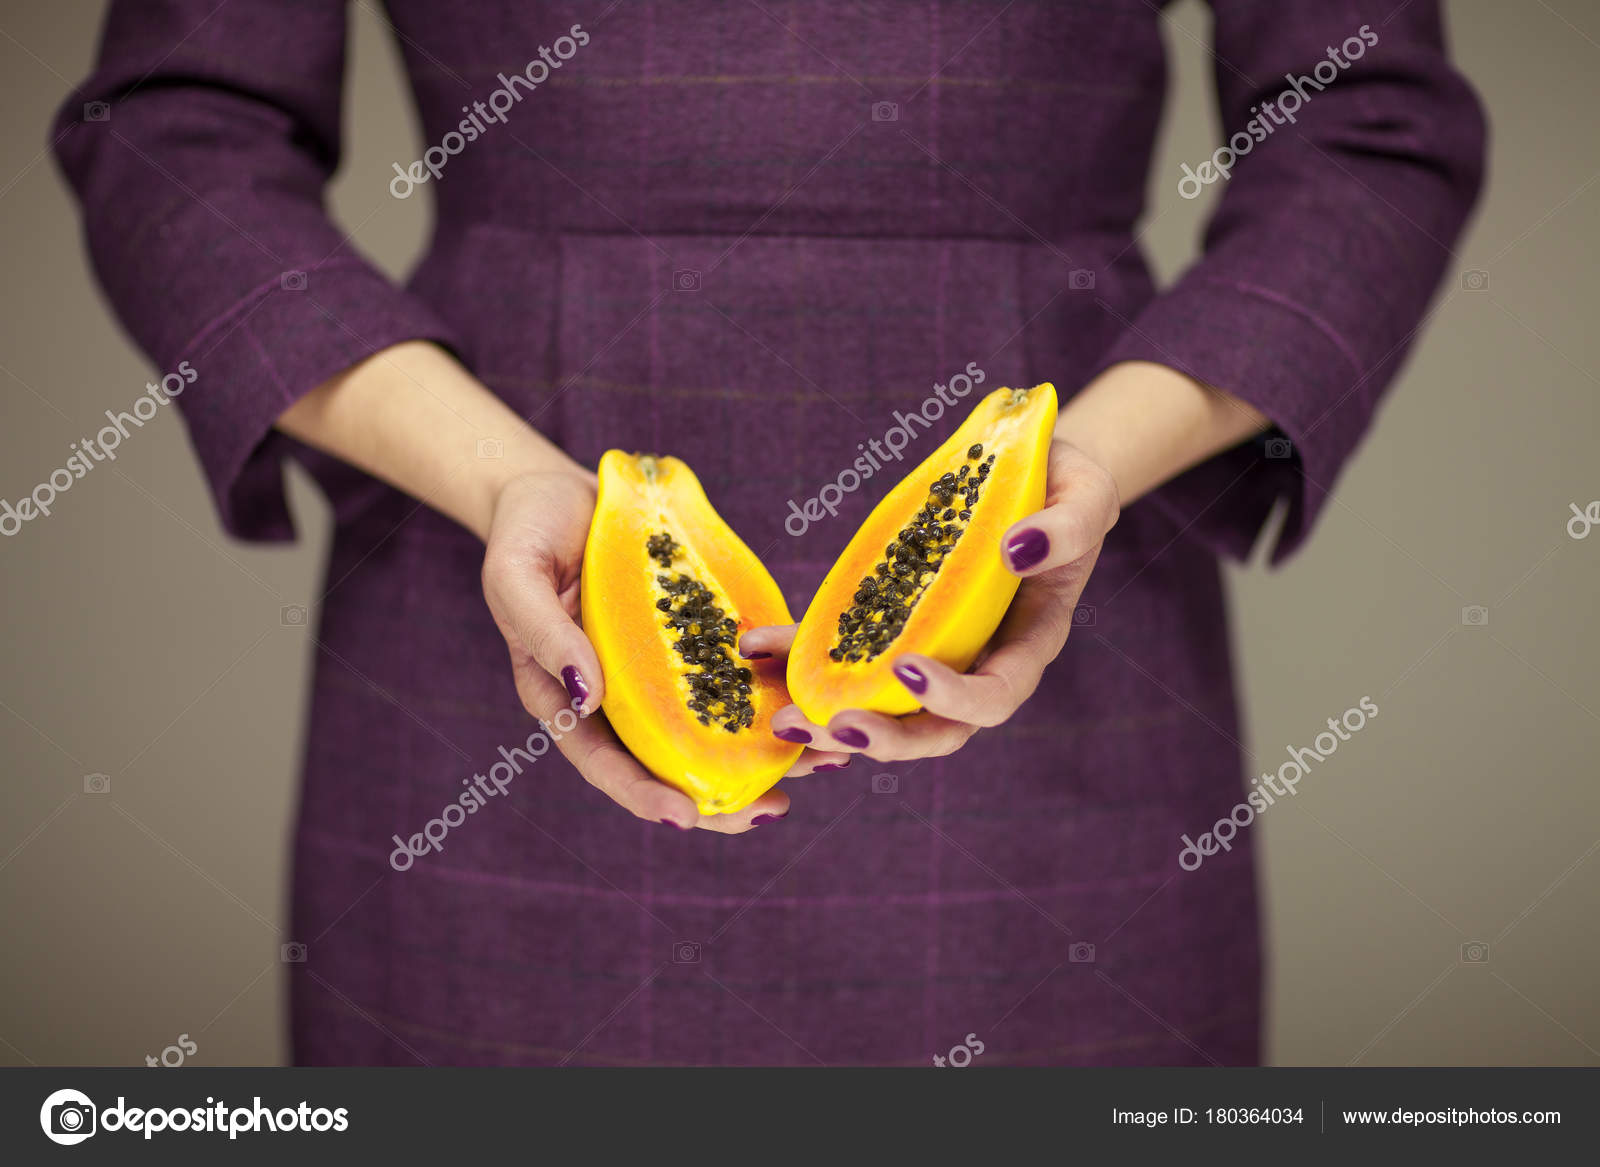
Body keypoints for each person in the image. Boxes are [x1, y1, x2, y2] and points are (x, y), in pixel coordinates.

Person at [54, 1, 1485, 1065]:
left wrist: (1090, 464)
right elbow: (179, 128)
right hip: (502, 604)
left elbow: (1367, 121)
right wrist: (497, 481)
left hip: (1058, 604)